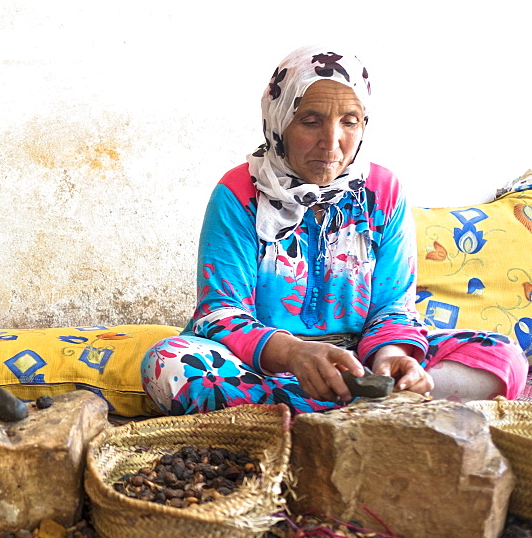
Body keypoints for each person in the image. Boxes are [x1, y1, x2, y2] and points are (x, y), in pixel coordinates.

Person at [141, 46, 529, 415]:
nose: (332, 143)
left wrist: (391, 359)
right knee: (168, 365)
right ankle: (372, 410)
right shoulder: (239, 193)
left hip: (360, 361)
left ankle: (329, 408)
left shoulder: (383, 193)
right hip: (261, 362)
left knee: (502, 355)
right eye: (311, 121)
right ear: (279, 121)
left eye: (350, 121)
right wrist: (294, 354)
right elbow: (220, 313)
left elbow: (393, 307)